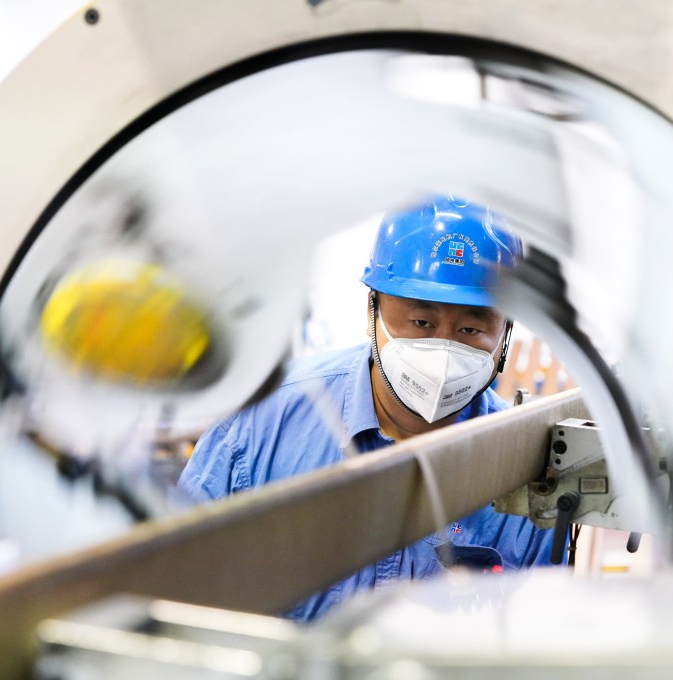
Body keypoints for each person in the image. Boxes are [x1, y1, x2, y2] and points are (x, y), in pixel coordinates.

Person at [178, 195, 554, 622]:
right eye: (421, 323)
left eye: (470, 328)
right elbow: (173, 587)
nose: (444, 351)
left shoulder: (525, 474)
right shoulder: (260, 424)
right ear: (372, 309)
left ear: (505, 334)